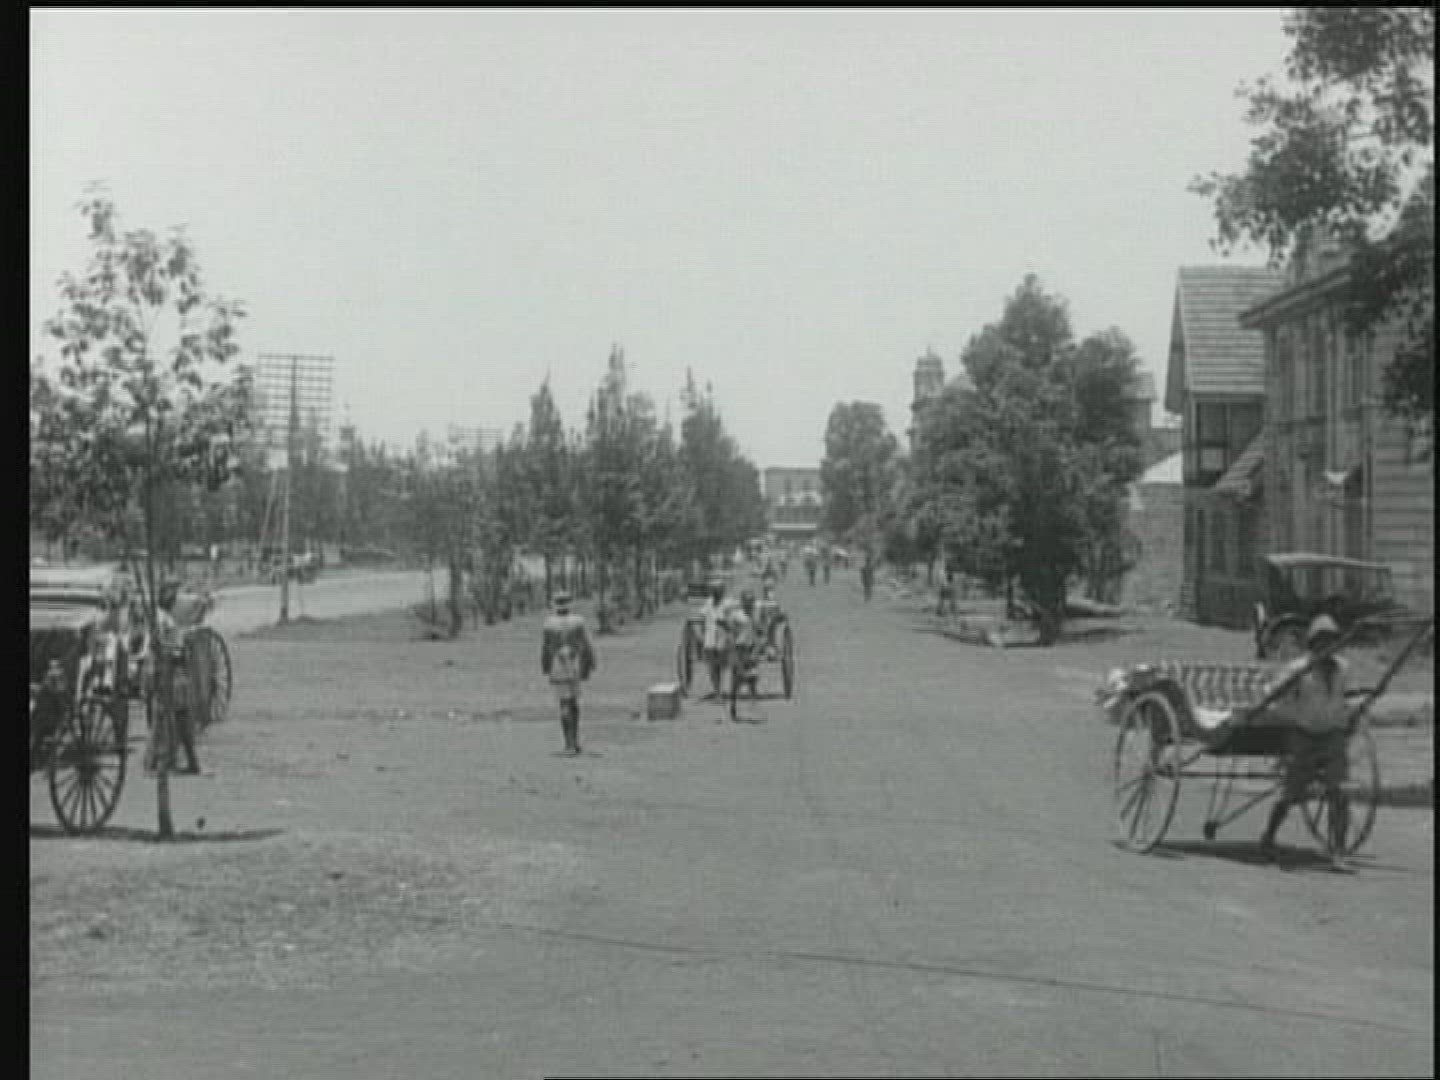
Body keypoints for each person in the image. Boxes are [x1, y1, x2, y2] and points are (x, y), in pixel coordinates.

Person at [1257, 615, 1352, 870]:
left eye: (1332, 641)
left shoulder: (1343, 668)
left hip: (1332, 735)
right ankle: (1268, 835)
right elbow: (1273, 694)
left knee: (1339, 793)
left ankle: (1339, 852)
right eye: (1323, 641)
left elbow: (1342, 699)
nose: (1328, 646)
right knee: (1291, 794)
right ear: (1313, 643)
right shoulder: (1298, 669)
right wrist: (1288, 712)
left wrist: (1345, 717)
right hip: (1303, 735)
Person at [541, 592, 596, 755]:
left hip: (558, 665)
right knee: (573, 704)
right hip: (574, 664)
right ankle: (574, 741)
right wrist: (589, 663)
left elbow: (546, 648)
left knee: (564, 704)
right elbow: (585, 644)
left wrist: (546, 666)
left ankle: (569, 743)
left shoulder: (549, 624)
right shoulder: (578, 621)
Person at [700, 579, 732, 700]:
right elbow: (703, 618)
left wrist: (725, 623)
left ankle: (719, 690)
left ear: (722, 591)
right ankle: (717, 691)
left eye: (717, 590)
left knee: (720, 665)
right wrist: (702, 635)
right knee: (712, 667)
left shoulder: (728, 604)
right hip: (710, 638)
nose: (715, 592)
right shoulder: (708, 603)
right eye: (713, 590)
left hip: (723, 637)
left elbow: (731, 622)